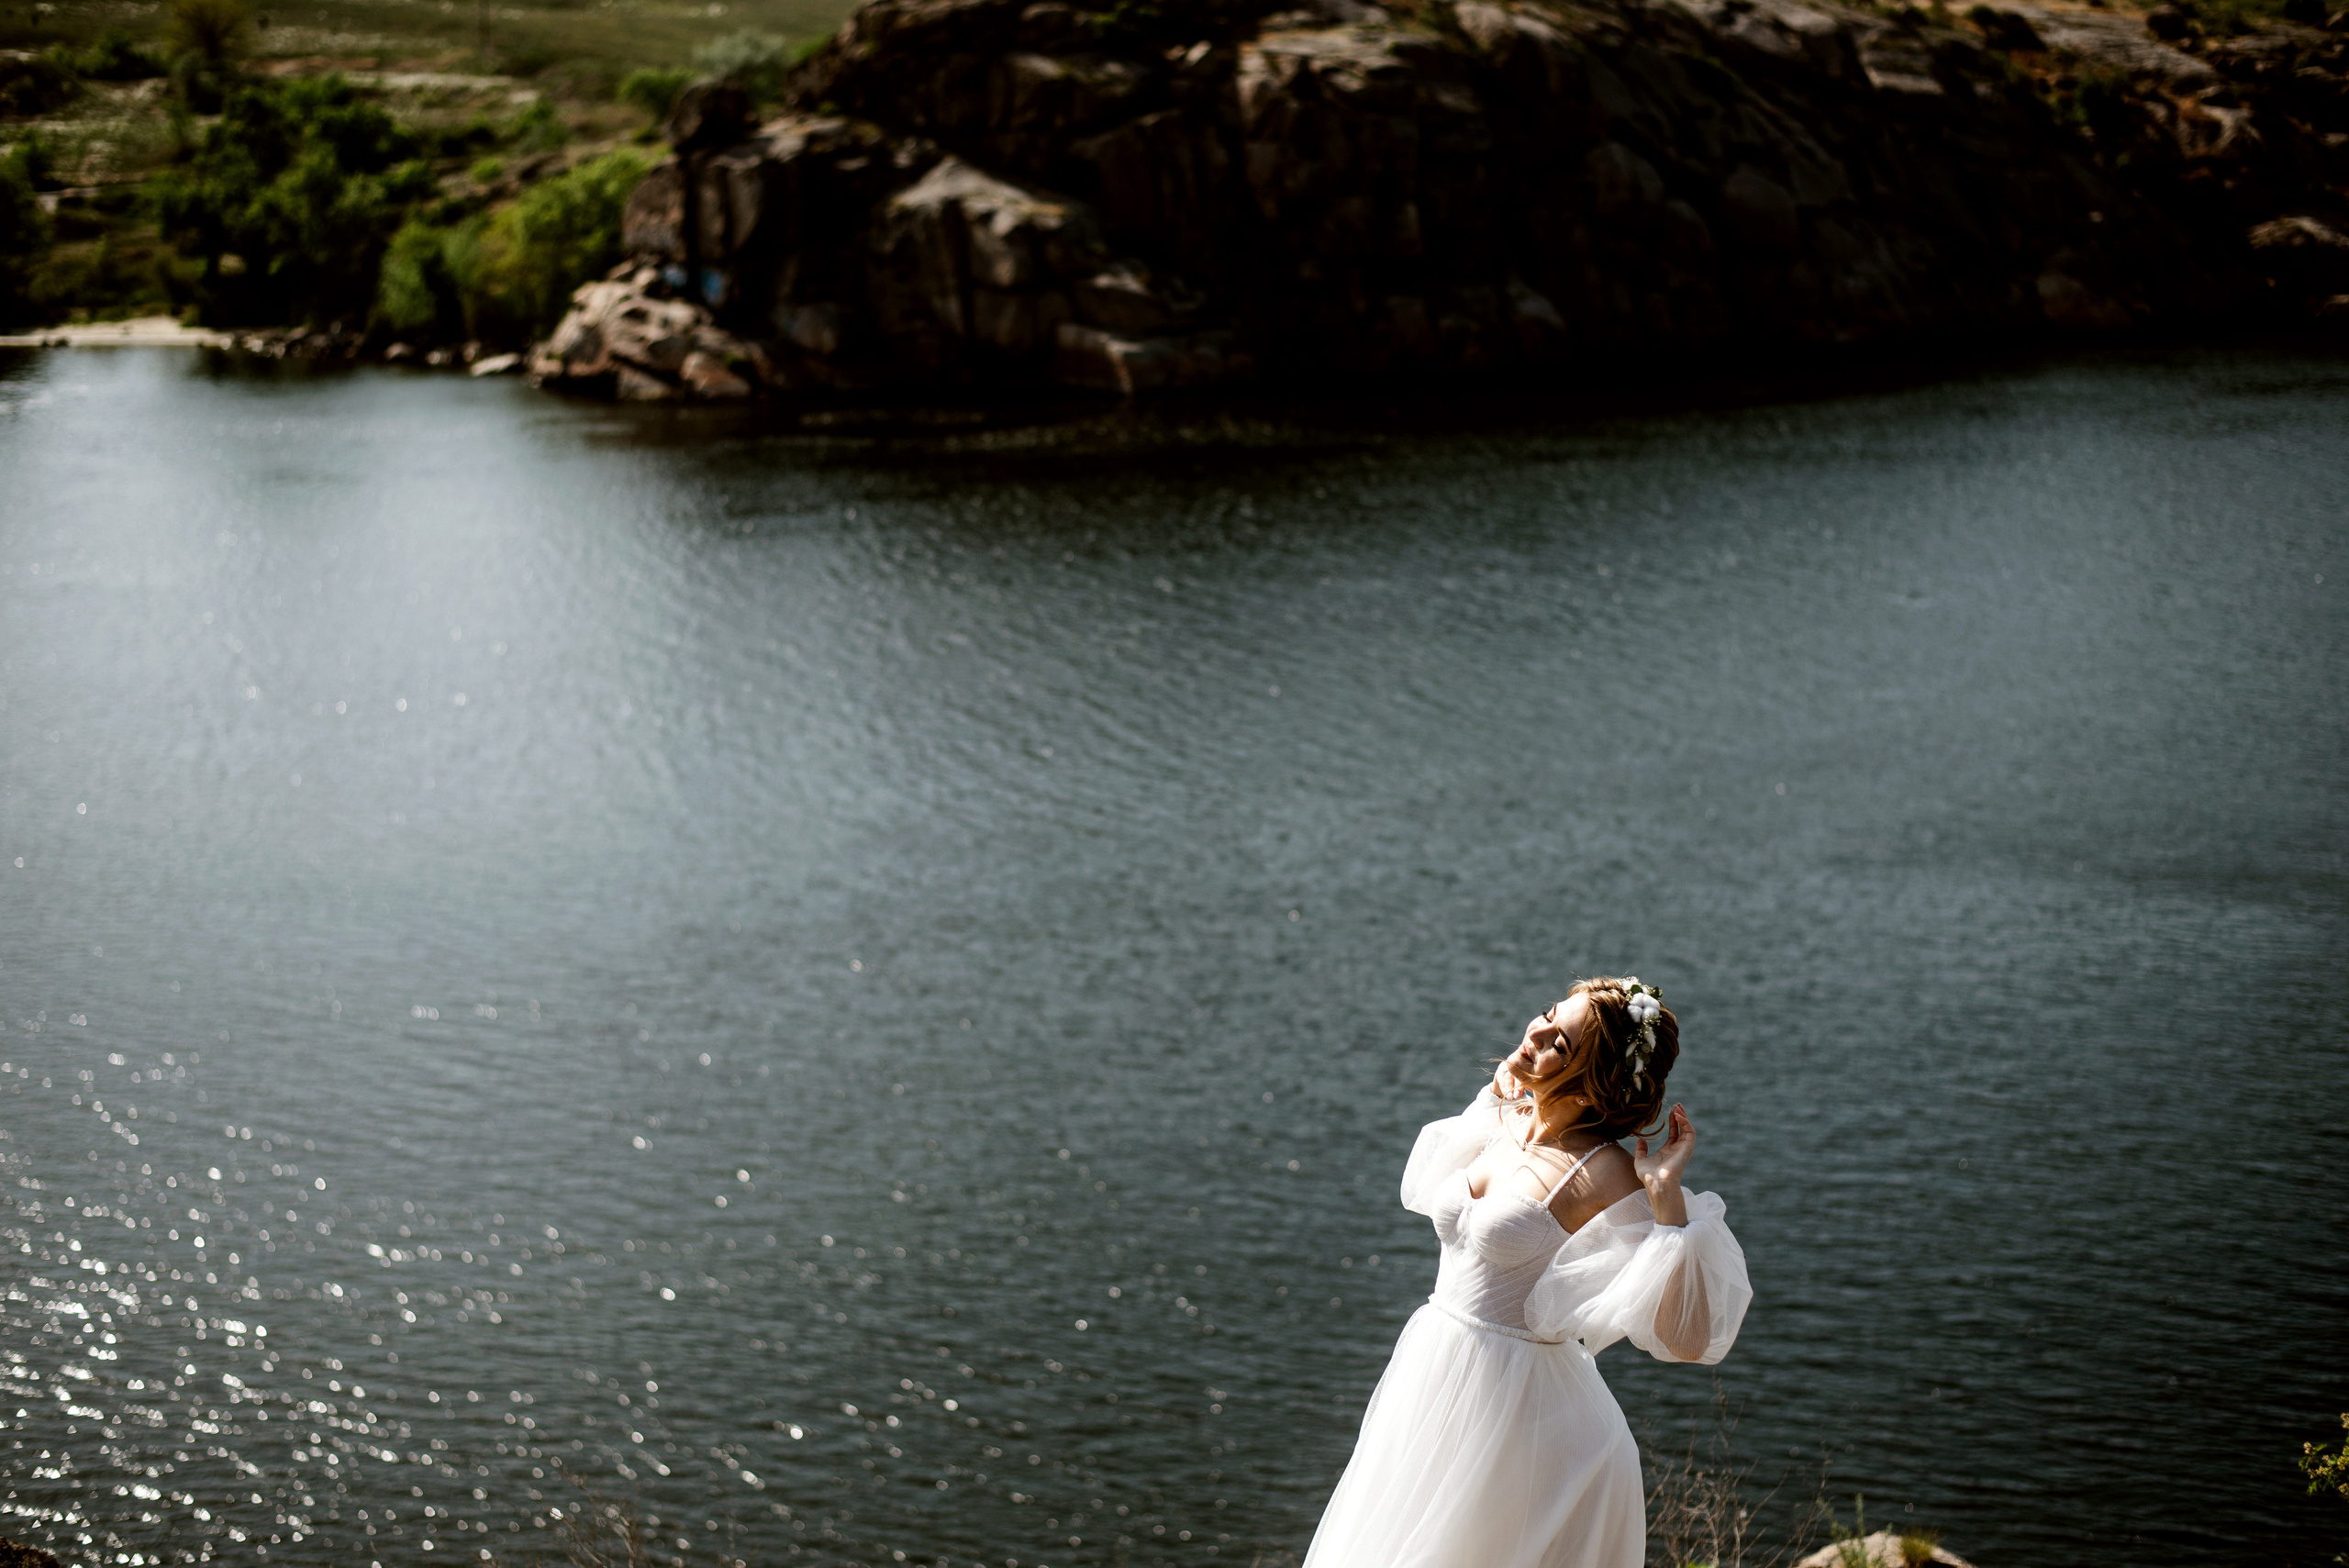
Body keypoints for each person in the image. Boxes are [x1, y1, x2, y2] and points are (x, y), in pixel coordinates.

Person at [1300, 977, 1753, 1568]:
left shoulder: (1608, 1175)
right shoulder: (1504, 1117)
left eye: (1560, 1043)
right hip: (1434, 1373)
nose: (1536, 1031)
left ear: (1594, 1083)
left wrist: (1666, 1199)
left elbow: (1688, 1340)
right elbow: (1423, 1186)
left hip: (1532, 1424)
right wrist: (1502, 1092)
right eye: (1548, 1014)